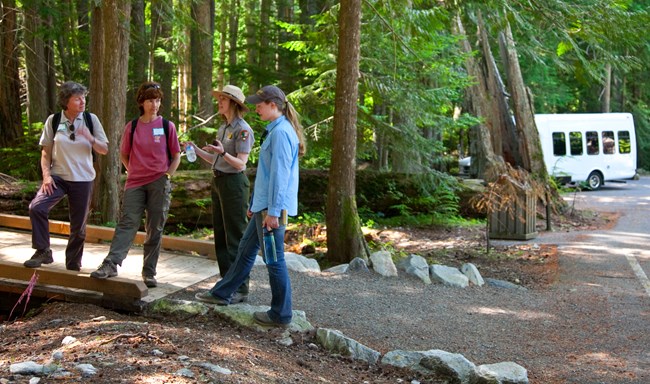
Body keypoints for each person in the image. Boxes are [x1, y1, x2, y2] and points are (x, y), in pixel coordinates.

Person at [195, 85, 306, 328]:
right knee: (245, 251)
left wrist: (273, 213)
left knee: (274, 259)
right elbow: (266, 175)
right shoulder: (276, 130)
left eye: (260, 104)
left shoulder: (280, 134)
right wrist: (256, 204)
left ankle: (281, 313)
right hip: (263, 207)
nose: (256, 107)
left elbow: (280, 177)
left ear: (274, 106)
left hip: (272, 211)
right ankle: (222, 293)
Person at [90, 81, 181, 288]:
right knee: (127, 223)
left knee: (154, 227)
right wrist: (133, 170)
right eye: (150, 100)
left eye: (157, 100)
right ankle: (111, 264)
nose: (154, 104)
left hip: (159, 181)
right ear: (142, 102)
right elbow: (123, 153)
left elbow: (176, 155)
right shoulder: (132, 126)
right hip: (135, 182)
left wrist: (167, 175)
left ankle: (149, 272)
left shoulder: (167, 126)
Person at [23, 81, 109, 271]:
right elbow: (45, 153)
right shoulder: (53, 120)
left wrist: (90, 137)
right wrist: (46, 176)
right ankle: (43, 250)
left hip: (83, 179)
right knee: (36, 207)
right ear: (66, 101)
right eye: (77, 98)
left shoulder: (90, 119)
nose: (82, 101)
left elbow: (104, 149)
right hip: (58, 177)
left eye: (84, 98)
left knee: (78, 228)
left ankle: (73, 266)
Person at [184, 85, 254, 303]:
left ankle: (240, 288)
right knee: (221, 237)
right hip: (219, 182)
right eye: (220, 98)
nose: (219, 102)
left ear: (234, 103)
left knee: (235, 237)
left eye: (223, 99)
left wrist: (222, 152)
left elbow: (241, 164)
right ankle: (226, 283)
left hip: (234, 184)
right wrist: (195, 150)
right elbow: (217, 159)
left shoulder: (243, 129)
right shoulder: (223, 128)